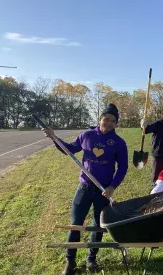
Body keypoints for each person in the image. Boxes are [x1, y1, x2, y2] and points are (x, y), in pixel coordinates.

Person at [42, 103, 128, 274]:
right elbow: (69, 149)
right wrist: (54, 138)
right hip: (84, 187)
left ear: (116, 124)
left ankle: (91, 258)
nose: (108, 123)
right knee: (76, 224)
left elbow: (123, 167)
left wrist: (112, 186)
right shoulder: (87, 135)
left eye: (112, 120)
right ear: (100, 119)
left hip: (103, 191)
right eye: (106, 119)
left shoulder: (119, 143)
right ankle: (70, 261)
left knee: (98, 225)